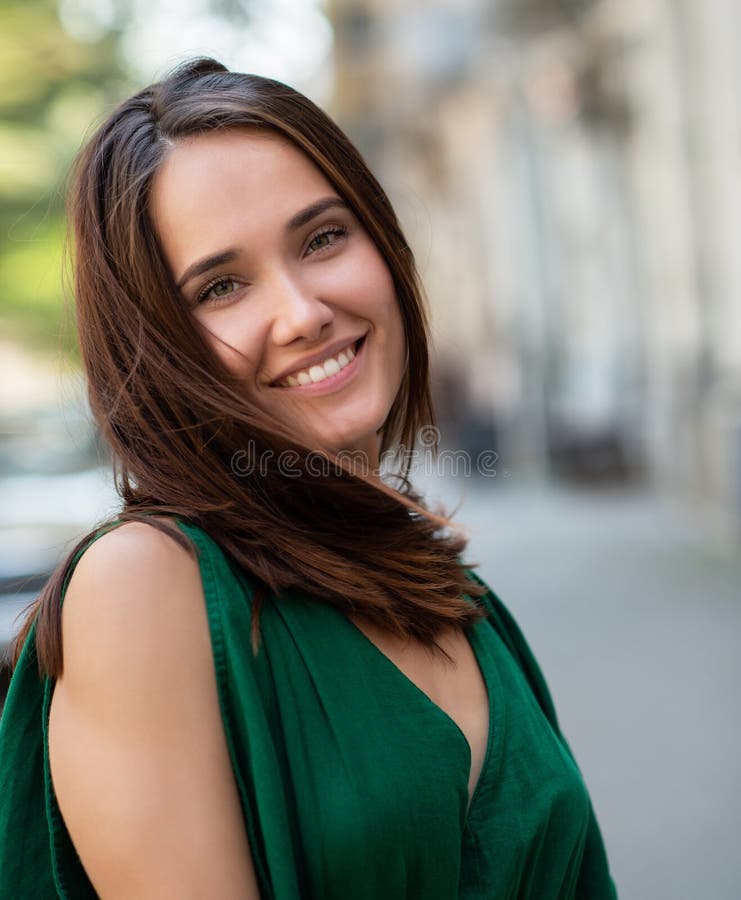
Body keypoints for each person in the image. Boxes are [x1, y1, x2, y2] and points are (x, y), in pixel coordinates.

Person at [0, 59, 618, 899]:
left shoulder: (453, 592)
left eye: (323, 237)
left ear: (383, 242)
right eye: (221, 287)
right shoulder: (143, 590)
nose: (301, 312)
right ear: (158, 348)